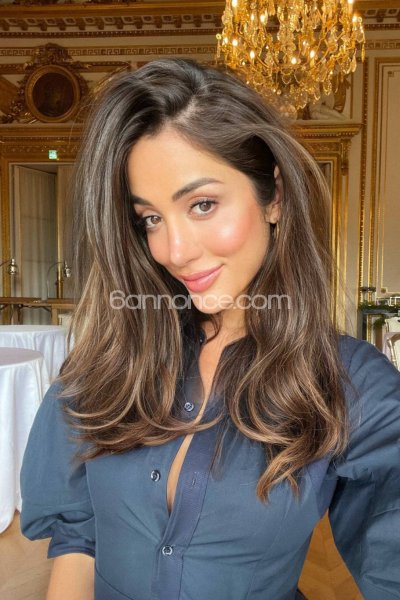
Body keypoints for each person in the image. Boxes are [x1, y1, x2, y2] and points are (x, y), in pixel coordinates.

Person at [20, 58, 400, 600]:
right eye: (150, 218)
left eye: (202, 204)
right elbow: (77, 536)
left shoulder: (350, 384)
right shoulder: (111, 359)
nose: (173, 251)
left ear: (275, 198)